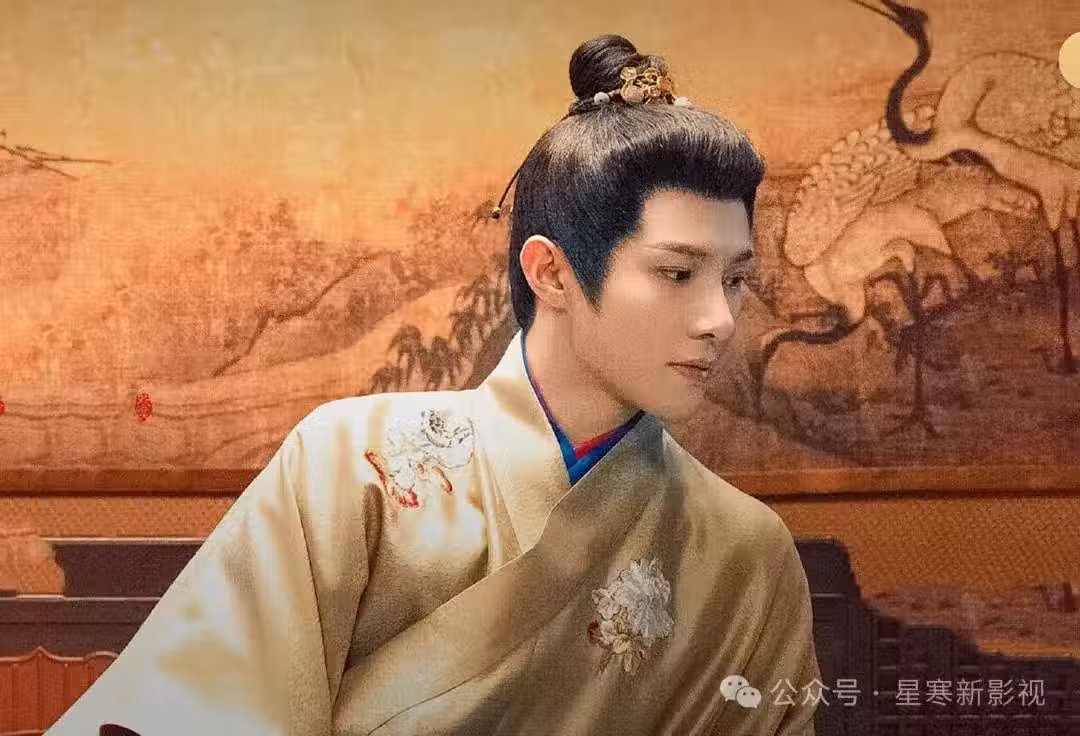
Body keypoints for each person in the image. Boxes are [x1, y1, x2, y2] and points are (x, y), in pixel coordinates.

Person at [48, 33, 820, 736]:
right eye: (678, 273)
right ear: (551, 272)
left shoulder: (747, 556)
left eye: (736, 278)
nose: (720, 319)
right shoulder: (351, 465)